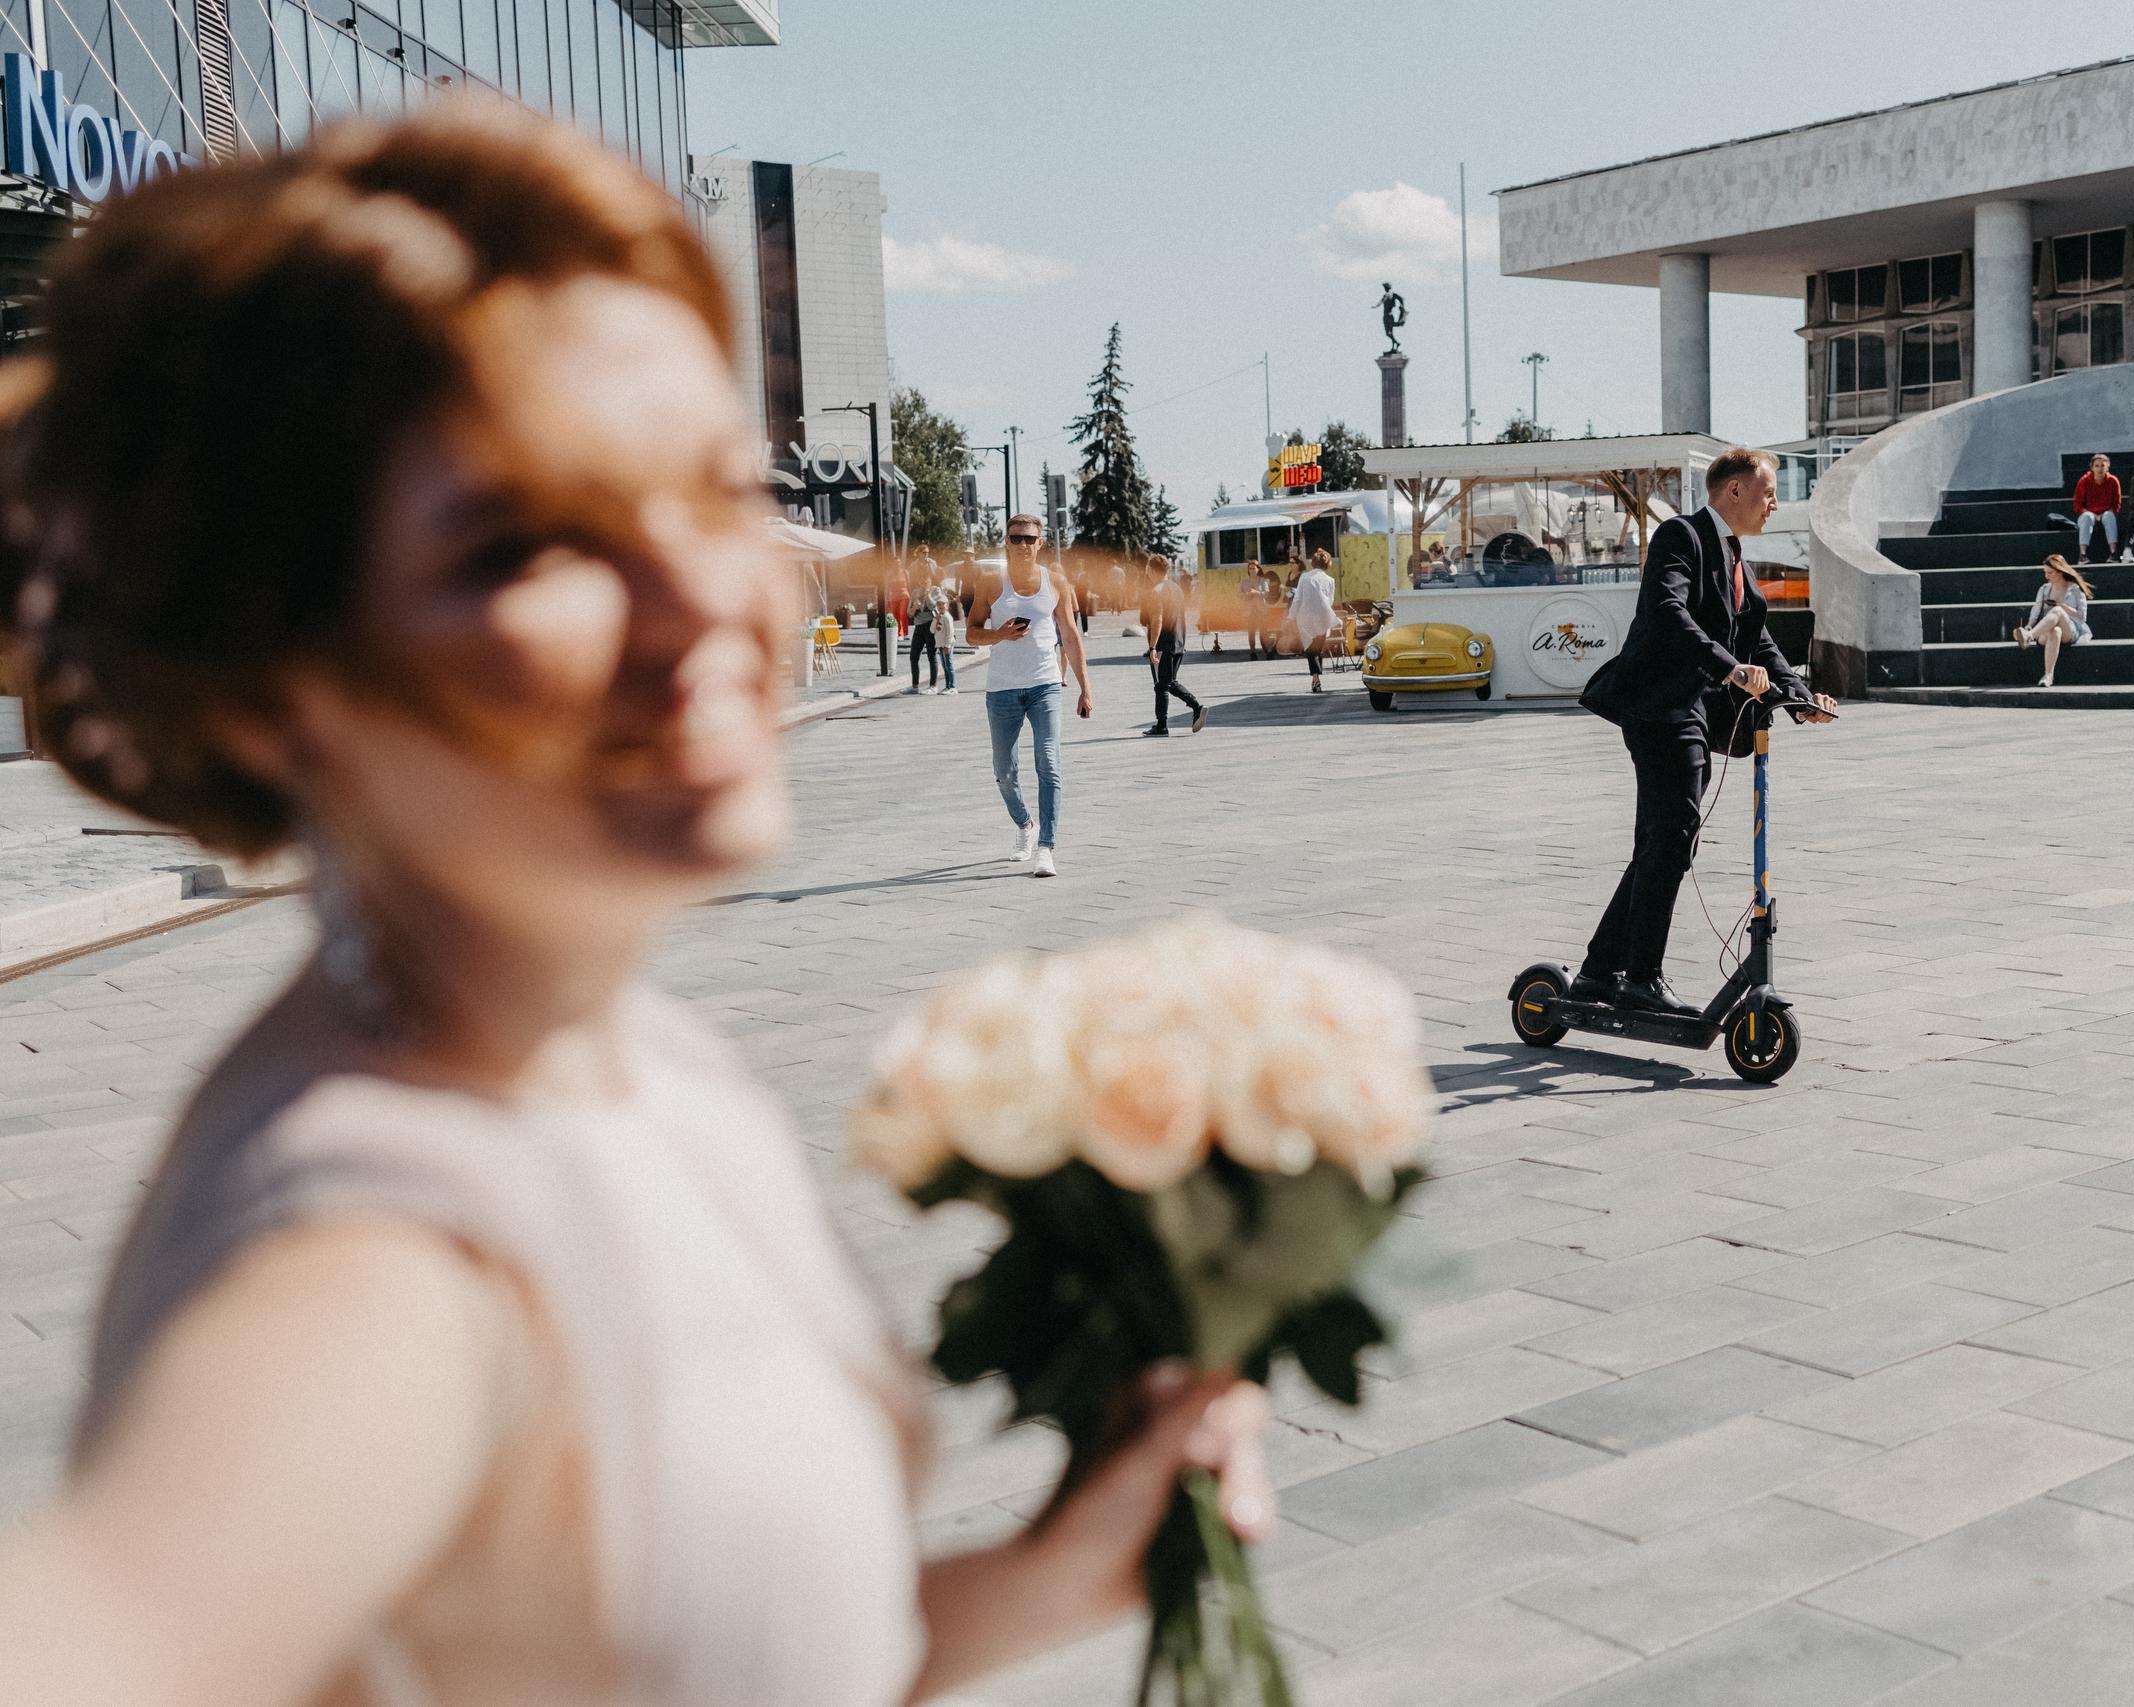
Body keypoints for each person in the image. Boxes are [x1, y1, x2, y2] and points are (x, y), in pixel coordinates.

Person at [0, 103, 1269, 1707]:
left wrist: (1054, 1569)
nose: (700, 596)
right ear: (270, 683)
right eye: (525, 540)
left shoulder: (633, 1048)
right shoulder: (373, 1244)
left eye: (715, 490)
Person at [1573, 448, 1836, 1015]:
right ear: (1734, 490)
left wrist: (1800, 698)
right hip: (1659, 705)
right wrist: (1729, 668)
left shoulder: (1736, 558)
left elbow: (1759, 641)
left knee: (1663, 842)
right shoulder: (1682, 536)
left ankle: (1598, 972)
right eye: (1768, 493)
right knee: (1672, 838)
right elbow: (1669, 611)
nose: (1774, 504)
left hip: (1690, 711)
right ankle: (1640, 977)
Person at [966, 511, 1091, 876]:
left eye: (1029, 539)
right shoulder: (991, 583)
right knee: (1004, 772)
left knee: (1049, 762)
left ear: (1040, 544)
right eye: (1016, 538)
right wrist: (1000, 634)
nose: (1022, 545)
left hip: (1044, 685)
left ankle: (1046, 848)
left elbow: (1070, 637)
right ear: (1006, 543)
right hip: (1002, 689)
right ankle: (1025, 825)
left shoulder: (1056, 582)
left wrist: (1085, 688)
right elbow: (971, 633)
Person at [1142, 554, 1205, 737]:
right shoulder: (1176, 589)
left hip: (1164, 643)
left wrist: (1152, 647)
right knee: (1167, 683)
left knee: (1162, 684)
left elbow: (1157, 619)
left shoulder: (1156, 591)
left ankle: (1193, 708)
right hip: (1178, 641)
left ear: (1151, 570)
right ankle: (1164, 723)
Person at [2013, 555, 2095, 687]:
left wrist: (2062, 606)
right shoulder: (2044, 589)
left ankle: (2028, 637)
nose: (2046, 576)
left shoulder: (2074, 589)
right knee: (2055, 631)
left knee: (2057, 611)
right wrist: (2029, 625)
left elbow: (2082, 616)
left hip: (2070, 630)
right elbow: (2036, 611)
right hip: (2046, 631)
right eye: (2045, 572)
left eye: (2050, 573)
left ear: (2060, 572)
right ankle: (2048, 676)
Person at [1287, 547, 1338, 691]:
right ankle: (1316, 678)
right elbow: (1330, 601)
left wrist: (1291, 616)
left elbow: (1297, 599)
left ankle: (1315, 678)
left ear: (1313, 563)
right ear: (1327, 564)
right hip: (1323, 618)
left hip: (1306, 618)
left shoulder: (1304, 577)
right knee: (1317, 648)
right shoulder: (1330, 580)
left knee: (1310, 648)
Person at [2072, 453, 2123, 564]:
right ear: (2092, 467)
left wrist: (2105, 513)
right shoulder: (2084, 481)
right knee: (2087, 517)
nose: (2100, 469)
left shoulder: (2113, 481)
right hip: (2088, 513)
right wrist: (2094, 515)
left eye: (2102, 465)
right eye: (2097, 466)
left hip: (2106, 513)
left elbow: (2116, 504)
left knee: (2109, 516)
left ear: (2107, 467)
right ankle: (2082, 555)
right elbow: (2077, 505)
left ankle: (2113, 553)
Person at [907, 578, 943, 692]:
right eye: (922, 579)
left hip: (931, 625)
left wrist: (928, 594)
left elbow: (933, 607)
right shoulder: (915, 592)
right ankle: (915, 686)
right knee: (913, 656)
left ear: (930, 579)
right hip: (919, 626)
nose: (924, 582)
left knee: (931, 655)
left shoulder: (936, 590)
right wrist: (914, 607)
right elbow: (909, 613)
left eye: (927, 579)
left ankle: (933, 686)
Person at [931, 574, 960, 692]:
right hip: (940, 643)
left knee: (949, 665)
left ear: (947, 606)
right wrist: (935, 619)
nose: (941, 606)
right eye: (939, 604)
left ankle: (952, 686)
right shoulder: (938, 617)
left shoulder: (947, 617)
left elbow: (950, 632)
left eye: (943, 604)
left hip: (947, 645)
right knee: (945, 666)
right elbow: (932, 630)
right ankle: (947, 685)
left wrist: (947, 645)